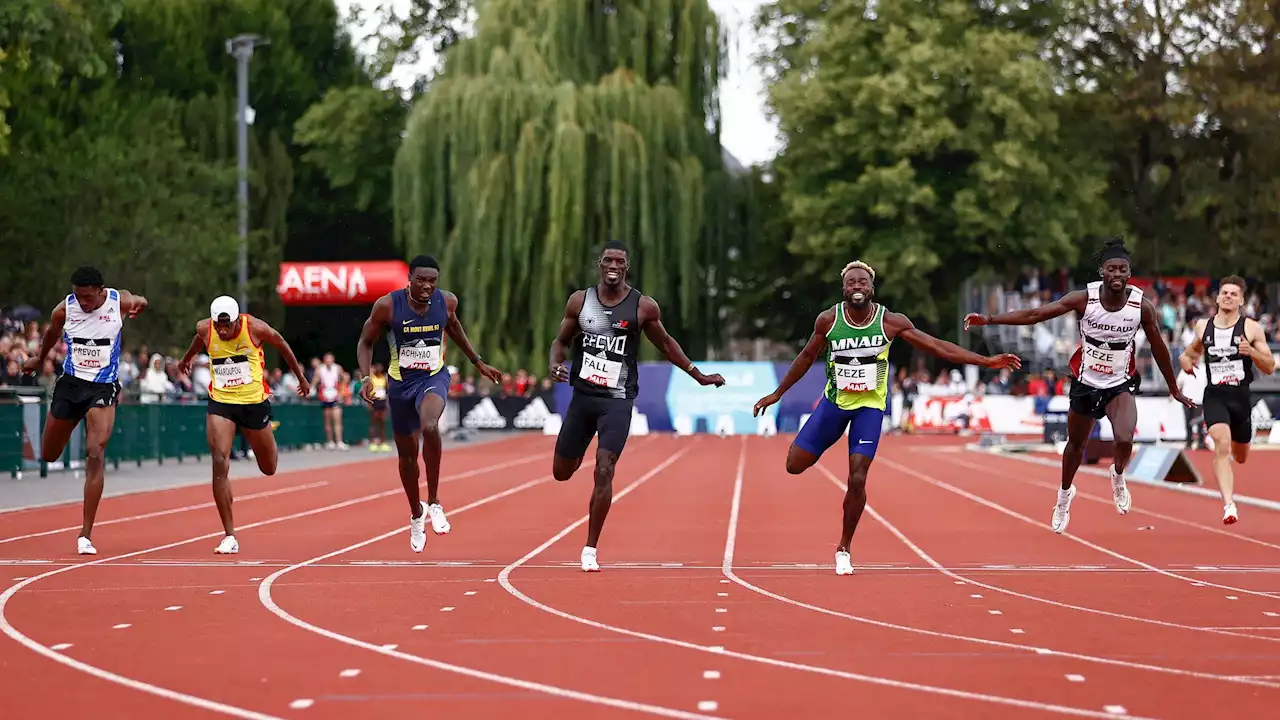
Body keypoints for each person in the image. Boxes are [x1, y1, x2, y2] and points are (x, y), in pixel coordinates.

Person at [753, 261, 1021, 576]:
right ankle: (828, 438)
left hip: (870, 407)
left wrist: (986, 361)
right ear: (844, 289)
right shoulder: (828, 320)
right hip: (835, 404)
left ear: (872, 288)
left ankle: (843, 548)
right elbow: (806, 357)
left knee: (857, 476)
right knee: (794, 465)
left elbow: (936, 346)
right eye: (851, 282)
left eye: (862, 282)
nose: (857, 287)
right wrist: (777, 393)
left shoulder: (890, 322)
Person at [964, 237, 1195, 533]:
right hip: (1086, 383)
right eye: (1111, 269)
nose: (1117, 275)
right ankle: (1063, 496)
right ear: (1102, 271)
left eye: (1122, 269)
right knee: (1075, 446)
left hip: (1119, 384)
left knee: (1125, 439)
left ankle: (1118, 475)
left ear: (1129, 273)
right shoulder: (1085, 299)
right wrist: (990, 319)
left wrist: (1174, 388)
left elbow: (1159, 346)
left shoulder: (1141, 306)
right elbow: (1036, 315)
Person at [548, 240, 726, 572]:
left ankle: (590, 548)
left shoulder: (642, 307)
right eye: (608, 261)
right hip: (583, 397)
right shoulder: (580, 301)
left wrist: (697, 374)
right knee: (562, 472)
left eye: (620, 261)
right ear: (599, 264)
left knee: (605, 467)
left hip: (617, 400)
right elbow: (560, 341)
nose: (613, 266)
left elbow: (666, 344)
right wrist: (554, 363)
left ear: (626, 267)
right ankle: (574, 460)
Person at [356, 255, 502, 552]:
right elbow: (365, 342)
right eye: (421, 280)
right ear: (409, 279)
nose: (426, 286)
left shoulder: (446, 302)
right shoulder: (387, 306)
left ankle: (434, 500)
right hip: (400, 385)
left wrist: (478, 362)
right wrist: (365, 377)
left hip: (433, 377)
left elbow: (455, 328)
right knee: (407, 458)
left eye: (432, 281)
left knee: (431, 425)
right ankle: (415, 514)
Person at [22, 266, 147, 555]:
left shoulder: (119, 302)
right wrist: (39, 360)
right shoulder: (64, 309)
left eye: (88, 298)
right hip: (71, 385)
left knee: (95, 451)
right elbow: (53, 333)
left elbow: (140, 299)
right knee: (49, 453)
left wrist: (140, 304)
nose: (83, 303)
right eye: (79, 297)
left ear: (101, 292)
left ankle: (85, 533)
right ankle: (73, 427)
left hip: (102, 387)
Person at [178, 296, 310, 554]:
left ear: (238, 319)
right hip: (221, 402)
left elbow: (281, 344)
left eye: (228, 325)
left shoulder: (256, 328)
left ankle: (264, 449)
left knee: (269, 467)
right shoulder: (205, 328)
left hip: (254, 404)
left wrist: (301, 377)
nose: (223, 331)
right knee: (219, 460)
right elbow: (198, 341)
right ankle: (229, 535)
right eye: (220, 326)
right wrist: (187, 358)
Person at [1177, 275, 1275, 524]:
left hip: (1241, 397)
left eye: (1234, 294)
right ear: (1217, 298)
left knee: (1240, 456)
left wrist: (1251, 352)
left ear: (1241, 300)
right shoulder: (1203, 326)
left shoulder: (1251, 328)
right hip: (1215, 396)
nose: (1229, 296)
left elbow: (1270, 366)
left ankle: (1238, 450)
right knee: (1221, 445)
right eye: (1225, 293)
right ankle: (1229, 505)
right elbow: (1188, 354)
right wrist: (1187, 363)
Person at [315, 352, 347, 449]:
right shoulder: (320, 369)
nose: (328, 361)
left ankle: (339, 441)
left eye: (330, 359)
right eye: (327, 359)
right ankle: (330, 442)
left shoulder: (337, 368)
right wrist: (311, 388)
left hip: (335, 394)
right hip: (325, 395)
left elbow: (344, 378)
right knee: (327, 420)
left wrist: (341, 391)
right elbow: (315, 380)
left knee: (337, 419)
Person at [366, 362, 390, 451]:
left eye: (380, 367)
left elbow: (387, 389)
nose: (379, 369)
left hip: (382, 401)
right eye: (377, 367)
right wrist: (369, 404)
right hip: (374, 401)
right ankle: (372, 443)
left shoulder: (384, 378)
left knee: (382, 423)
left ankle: (383, 442)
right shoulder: (371, 378)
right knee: (373, 423)